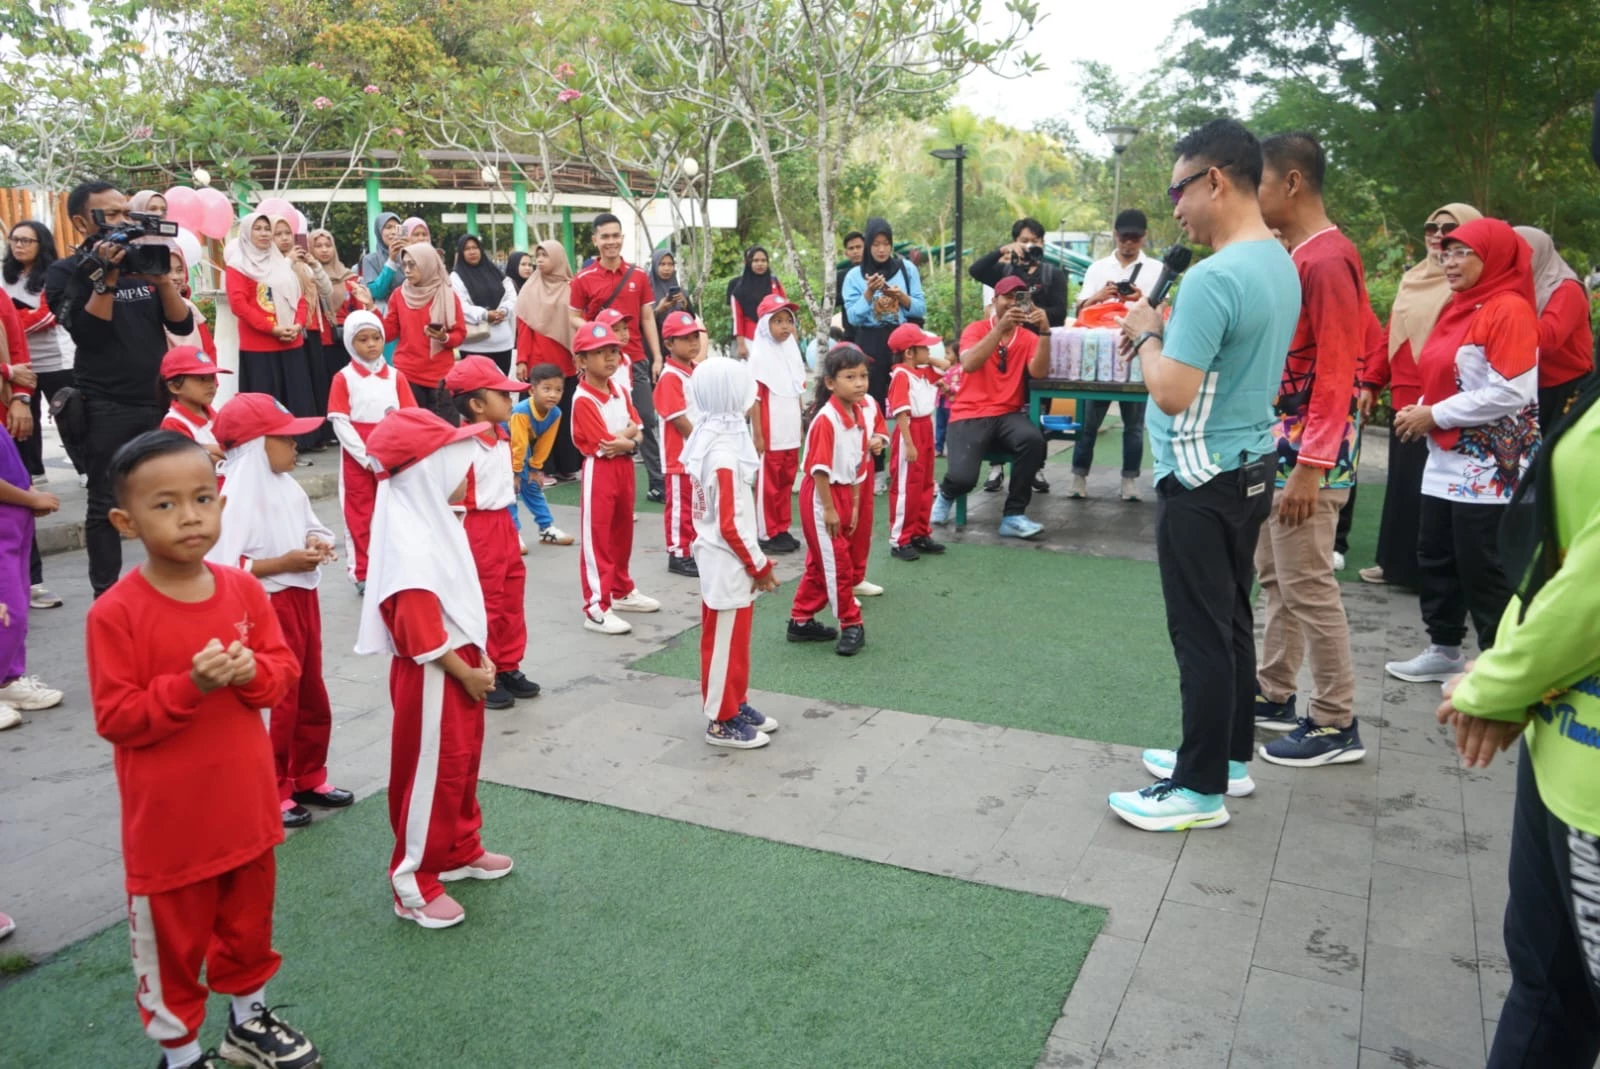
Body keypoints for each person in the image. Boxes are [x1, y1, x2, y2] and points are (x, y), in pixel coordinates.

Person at [88, 430, 320, 1069]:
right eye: (164, 505)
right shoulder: (116, 613)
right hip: (170, 828)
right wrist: (189, 686)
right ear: (124, 522)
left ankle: (248, 1021)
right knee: (171, 942)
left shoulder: (243, 591)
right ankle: (182, 1052)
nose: (189, 516)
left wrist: (250, 676)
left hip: (246, 811)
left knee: (248, 924)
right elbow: (117, 717)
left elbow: (280, 673)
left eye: (201, 499)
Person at [1108, 118, 1301, 831]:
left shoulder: (1216, 276)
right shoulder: (1277, 260)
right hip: (1249, 462)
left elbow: (1171, 391)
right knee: (1230, 618)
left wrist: (1149, 330)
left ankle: (1197, 790)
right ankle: (1229, 756)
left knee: (1199, 629)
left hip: (1198, 474)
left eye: (1179, 189)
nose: (1177, 208)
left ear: (1214, 180)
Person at [1432, 377, 1600, 1068]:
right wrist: (1511, 674)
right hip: (1562, 745)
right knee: (1547, 991)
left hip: (1587, 779)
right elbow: (1563, 555)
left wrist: (1504, 681)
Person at [354, 408, 514, 931]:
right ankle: (413, 881)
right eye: (450, 456)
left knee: (461, 764)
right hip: (433, 669)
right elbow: (415, 624)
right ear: (425, 466)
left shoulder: (431, 515)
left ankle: (459, 848)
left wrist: (478, 654)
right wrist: (463, 669)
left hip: (458, 659)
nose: (463, 466)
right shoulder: (405, 527)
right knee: (430, 773)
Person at [1249, 131, 1377, 768]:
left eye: (1260, 182)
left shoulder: (1325, 259)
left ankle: (1334, 721)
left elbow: (1336, 369)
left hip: (1309, 457)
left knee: (1309, 586)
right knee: (1279, 579)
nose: (1254, 195)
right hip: (1290, 448)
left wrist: (1311, 466)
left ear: (1291, 183)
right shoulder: (1311, 255)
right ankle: (1274, 691)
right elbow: (1367, 342)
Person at [1384, 219, 1540, 684]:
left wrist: (1435, 415)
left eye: (1461, 253)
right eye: (1445, 253)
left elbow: (1511, 391)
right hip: (1448, 457)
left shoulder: (1509, 308)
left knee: (1483, 567)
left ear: (1490, 257)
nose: (1448, 262)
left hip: (1491, 465)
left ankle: (1499, 664)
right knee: (1437, 554)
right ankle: (1445, 648)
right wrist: (1427, 409)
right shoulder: (1460, 306)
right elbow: (1448, 374)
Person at [206, 394, 354, 831]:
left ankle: (309, 773)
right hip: (267, 604)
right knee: (279, 699)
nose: (295, 447)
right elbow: (223, 567)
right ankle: (273, 785)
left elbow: (312, 525)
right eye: (285, 439)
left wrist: (316, 543)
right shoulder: (233, 496)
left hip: (300, 597)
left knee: (310, 689)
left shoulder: (284, 485)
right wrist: (283, 563)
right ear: (255, 446)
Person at [43, 181, 196, 597]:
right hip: (105, 404)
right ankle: (107, 595)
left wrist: (162, 281)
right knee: (105, 504)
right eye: (110, 215)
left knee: (168, 493)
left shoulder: (144, 259)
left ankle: (169, 582)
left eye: (126, 213)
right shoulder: (65, 271)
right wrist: (106, 276)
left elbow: (181, 325)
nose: (123, 222)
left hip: (158, 400)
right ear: (80, 222)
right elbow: (88, 334)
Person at [1356, 202, 1484, 587]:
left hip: (1445, 401)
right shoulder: (1415, 278)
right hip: (1406, 397)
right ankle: (1396, 564)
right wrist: (1371, 382)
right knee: (1404, 483)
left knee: (1436, 487)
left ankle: (1431, 574)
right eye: (1431, 226)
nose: (1436, 234)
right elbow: (1391, 334)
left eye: (1448, 228)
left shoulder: (1469, 284)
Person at [682, 355, 781, 748]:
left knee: (735, 638)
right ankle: (720, 719)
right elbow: (730, 523)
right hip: (728, 558)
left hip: (727, 556)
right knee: (725, 640)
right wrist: (759, 565)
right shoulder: (722, 453)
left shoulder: (712, 439)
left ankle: (734, 702)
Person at [444, 355, 540, 710]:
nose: (510, 400)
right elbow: (451, 497)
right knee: (486, 602)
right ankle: (484, 669)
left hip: (504, 522)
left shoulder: (501, 436)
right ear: (477, 404)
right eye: (502, 394)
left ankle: (509, 663)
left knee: (512, 595)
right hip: (476, 527)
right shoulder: (460, 444)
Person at [928, 276, 1051, 540]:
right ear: (995, 301)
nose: (1012, 303)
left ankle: (1014, 515)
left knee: (1033, 441)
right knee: (964, 479)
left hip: (1007, 413)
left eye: (1020, 297)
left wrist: (1044, 331)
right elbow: (969, 363)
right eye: (1007, 297)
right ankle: (947, 492)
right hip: (968, 413)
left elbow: (1039, 372)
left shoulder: (1028, 337)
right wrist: (999, 330)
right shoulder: (976, 328)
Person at [569, 321, 660, 635]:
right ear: (581, 360)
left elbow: (637, 426)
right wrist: (627, 440)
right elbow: (603, 445)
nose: (609, 358)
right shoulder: (583, 399)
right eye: (599, 353)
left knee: (623, 531)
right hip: (601, 470)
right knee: (599, 538)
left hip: (624, 468)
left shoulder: (620, 389)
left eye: (613, 351)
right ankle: (596, 606)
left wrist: (626, 441)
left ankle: (621, 590)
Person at [1068, 209, 1164, 501]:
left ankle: (1130, 481)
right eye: (1124, 237)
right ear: (1115, 235)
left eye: (1135, 238)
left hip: (1136, 353)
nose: (1129, 244)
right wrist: (1099, 296)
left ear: (1143, 238)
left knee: (1134, 425)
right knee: (1088, 424)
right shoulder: (1098, 268)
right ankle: (1078, 476)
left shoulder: (1156, 269)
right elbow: (1080, 310)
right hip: (1097, 355)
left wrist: (1140, 299)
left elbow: (1162, 314)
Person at [569, 214, 665, 501]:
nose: (611, 241)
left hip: (636, 358)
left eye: (616, 235)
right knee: (608, 422)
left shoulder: (638, 276)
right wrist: (597, 332)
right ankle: (606, 479)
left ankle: (657, 481)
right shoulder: (582, 279)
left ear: (622, 238)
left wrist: (657, 356)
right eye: (605, 236)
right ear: (595, 240)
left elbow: (647, 317)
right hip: (600, 362)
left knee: (646, 418)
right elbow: (573, 317)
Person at [4, 219, 74, 611]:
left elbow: (18, 349)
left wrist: (19, 394)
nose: (18, 246)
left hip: (24, 389)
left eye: (26, 240)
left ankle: (29, 583)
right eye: (14, 240)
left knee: (17, 489)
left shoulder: (8, 293)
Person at [789, 344, 875, 657]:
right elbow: (819, 469)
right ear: (830, 383)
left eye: (863, 376)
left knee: (821, 559)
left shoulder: (859, 413)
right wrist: (828, 508)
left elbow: (857, 465)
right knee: (836, 561)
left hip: (842, 492)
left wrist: (852, 505)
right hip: (821, 494)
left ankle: (801, 620)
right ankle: (852, 623)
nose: (859, 383)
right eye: (850, 377)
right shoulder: (827, 420)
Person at [327, 310, 417, 592]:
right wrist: (365, 457)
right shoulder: (343, 378)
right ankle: (363, 572)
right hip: (359, 457)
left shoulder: (396, 377)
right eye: (362, 339)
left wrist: (402, 451)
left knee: (396, 511)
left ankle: (395, 566)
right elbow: (340, 421)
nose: (371, 344)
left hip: (393, 454)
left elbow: (410, 416)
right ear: (351, 344)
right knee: (360, 513)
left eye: (376, 337)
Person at [0, 357, 62, 733]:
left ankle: (8, 679)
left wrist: (28, 492)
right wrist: (30, 499)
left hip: (14, 530)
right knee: (7, 609)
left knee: (18, 605)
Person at [842, 218, 926, 490]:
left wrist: (900, 297)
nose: (881, 250)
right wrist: (869, 293)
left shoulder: (906, 268)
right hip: (871, 341)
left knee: (908, 402)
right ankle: (877, 469)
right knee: (872, 403)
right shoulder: (854, 275)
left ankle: (908, 463)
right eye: (875, 244)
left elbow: (920, 309)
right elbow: (852, 317)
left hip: (902, 342)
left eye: (886, 244)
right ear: (868, 245)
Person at [225, 211, 318, 445]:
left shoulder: (281, 263)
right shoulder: (237, 266)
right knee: (264, 399)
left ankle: (300, 442)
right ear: (246, 233)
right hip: (259, 345)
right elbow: (239, 305)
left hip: (291, 340)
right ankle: (266, 445)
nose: (264, 233)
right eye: (258, 228)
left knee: (295, 393)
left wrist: (297, 324)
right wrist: (272, 329)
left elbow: (300, 298)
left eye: (267, 229)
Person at [1514, 226, 1593, 431]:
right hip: (1529, 386)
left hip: (1564, 387)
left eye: (1519, 253)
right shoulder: (1518, 287)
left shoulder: (1565, 289)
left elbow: (1548, 339)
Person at [515, 239, 581, 479]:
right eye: (538, 256)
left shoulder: (572, 288)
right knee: (537, 417)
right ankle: (540, 467)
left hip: (566, 362)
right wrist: (522, 360)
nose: (540, 261)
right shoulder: (530, 288)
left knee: (563, 416)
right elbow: (523, 326)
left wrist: (580, 356)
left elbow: (577, 324)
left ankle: (566, 466)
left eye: (545, 256)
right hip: (538, 363)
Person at [748, 294, 807, 556]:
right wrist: (758, 434)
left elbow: (797, 389)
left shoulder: (791, 352)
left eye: (788, 321)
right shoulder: (760, 356)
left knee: (786, 479)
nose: (784, 326)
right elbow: (755, 399)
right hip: (770, 432)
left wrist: (801, 427)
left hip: (790, 429)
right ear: (765, 325)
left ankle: (781, 527)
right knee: (769, 481)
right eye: (778, 321)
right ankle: (765, 531)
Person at [886, 322, 948, 561]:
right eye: (924, 348)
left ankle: (920, 532)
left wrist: (929, 361)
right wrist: (909, 444)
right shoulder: (901, 375)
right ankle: (900, 539)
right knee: (906, 487)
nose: (930, 352)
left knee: (924, 484)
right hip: (909, 430)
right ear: (909, 352)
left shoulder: (920, 371)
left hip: (925, 428)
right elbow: (901, 412)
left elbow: (947, 367)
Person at [385, 242, 466, 422]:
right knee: (415, 432)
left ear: (427, 263)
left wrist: (444, 337)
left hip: (441, 375)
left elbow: (460, 334)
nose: (407, 270)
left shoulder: (447, 295)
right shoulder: (399, 295)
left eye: (412, 264)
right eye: (404, 264)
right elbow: (388, 333)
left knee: (447, 431)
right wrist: (371, 308)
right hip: (408, 373)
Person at [271, 216, 332, 450]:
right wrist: (288, 261)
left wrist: (314, 265)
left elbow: (325, 291)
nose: (285, 238)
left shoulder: (304, 264)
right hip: (290, 331)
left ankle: (318, 434)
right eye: (279, 234)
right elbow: (276, 286)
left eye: (288, 233)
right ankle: (298, 437)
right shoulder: (273, 265)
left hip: (313, 329)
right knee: (297, 386)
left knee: (316, 385)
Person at [654, 309, 703, 578]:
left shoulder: (695, 371)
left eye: (695, 336)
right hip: (680, 455)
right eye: (685, 338)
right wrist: (700, 441)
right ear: (669, 344)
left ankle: (692, 548)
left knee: (695, 505)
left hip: (695, 453)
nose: (693, 343)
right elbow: (678, 419)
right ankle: (678, 552)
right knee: (680, 508)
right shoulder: (670, 376)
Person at [507, 363, 573, 547]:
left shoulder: (555, 413)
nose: (553, 394)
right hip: (507, 445)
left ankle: (546, 527)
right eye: (547, 389)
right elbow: (517, 444)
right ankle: (512, 533)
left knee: (533, 486)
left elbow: (545, 443)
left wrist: (536, 468)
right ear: (532, 390)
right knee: (510, 491)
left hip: (523, 447)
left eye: (558, 390)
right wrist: (515, 473)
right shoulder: (521, 412)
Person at [450, 234, 517, 374]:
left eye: (475, 247)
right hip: (474, 345)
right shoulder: (456, 277)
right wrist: (485, 315)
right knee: (477, 391)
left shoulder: (496, 272)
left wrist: (504, 311)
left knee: (501, 390)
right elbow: (460, 305)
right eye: (467, 249)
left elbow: (511, 296)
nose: (472, 251)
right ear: (461, 253)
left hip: (502, 344)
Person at [309, 227, 370, 382]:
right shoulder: (307, 277)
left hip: (347, 341)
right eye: (318, 246)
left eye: (328, 245)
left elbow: (360, 310)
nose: (324, 250)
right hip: (319, 343)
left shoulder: (349, 278)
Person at [158, 345, 228, 467]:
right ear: (174, 387)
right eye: (201, 379)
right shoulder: (174, 422)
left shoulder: (211, 412)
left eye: (212, 378)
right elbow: (191, 461)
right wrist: (213, 452)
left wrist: (209, 449)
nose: (211, 385)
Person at [727, 246, 786, 357]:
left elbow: (786, 310)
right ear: (749, 263)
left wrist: (792, 334)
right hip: (751, 339)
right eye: (756, 260)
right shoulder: (739, 290)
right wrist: (741, 345)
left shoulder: (774, 283)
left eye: (763, 260)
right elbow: (737, 319)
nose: (760, 264)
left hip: (777, 338)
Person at [836, 230, 864, 342]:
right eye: (851, 248)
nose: (855, 251)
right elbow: (827, 301)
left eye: (858, 247)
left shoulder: (877, 271)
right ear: (846, 253)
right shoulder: (841, 276)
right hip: (851, 334)